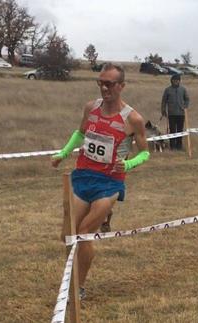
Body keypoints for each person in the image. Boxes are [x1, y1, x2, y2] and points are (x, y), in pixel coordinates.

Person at [51, 63, 150, 300]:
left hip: (109, 183)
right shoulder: (91, 108)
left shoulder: (133, 118)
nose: (104, 88)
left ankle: (78, 287)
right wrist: (64, 153)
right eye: (100, 82)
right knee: (68, 235)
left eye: (109, 84)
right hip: (83, 176)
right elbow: (80, 133)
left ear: (121, 86)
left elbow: (146, 153)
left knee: (83, 233)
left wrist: (127, 165)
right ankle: (72, 276)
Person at [161, 74, 190, 150]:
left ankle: (179, 146)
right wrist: (163, 110)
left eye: (177, 80)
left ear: (179, 81)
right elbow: (164, 101)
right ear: (171, 81)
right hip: (171, 113)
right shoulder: (167, 90)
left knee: (180, 130)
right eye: (174, 80)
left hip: (181, 114)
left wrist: (185, 106)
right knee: (172, 130)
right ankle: (172, 146)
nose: (175, 82)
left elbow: (187, 99)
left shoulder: (183, 89)